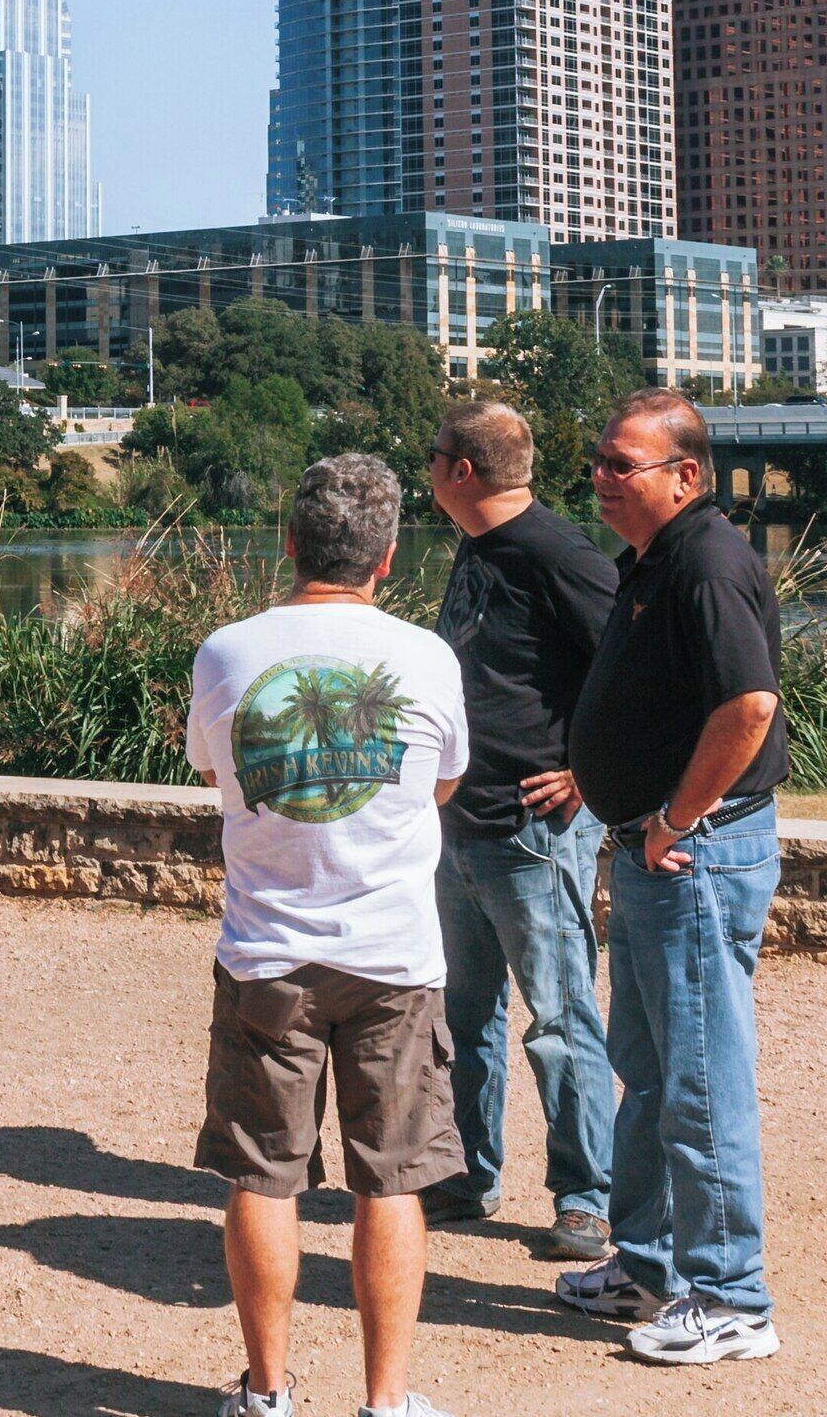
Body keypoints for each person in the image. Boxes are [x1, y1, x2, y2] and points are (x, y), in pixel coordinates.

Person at [189, 453, 476, 1417]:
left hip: (268, 951)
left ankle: (267, 1394)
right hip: (394, 956)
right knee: (390, 1181)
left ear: (289, 542)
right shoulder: (428, 658)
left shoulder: (228, 652)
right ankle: (386, 1402)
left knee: (263, 1178)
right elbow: (443, 782)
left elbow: (215, 771)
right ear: (388, 556)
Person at [550, 388, 790, 1367]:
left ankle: (731, 1295)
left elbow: (750, 705)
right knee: (647, 1071)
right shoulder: (654, 557)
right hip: (659, 853)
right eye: (599, 461)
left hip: (695, 855)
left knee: (698, 1080)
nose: (602, 478)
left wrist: (673, 818)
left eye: (622, 464)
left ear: (684, 474)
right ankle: (645, 1262)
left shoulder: (709, 560)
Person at [416, 399, 618, 1264]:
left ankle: (585, 1197)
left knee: (560, 1017)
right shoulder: (480, 543)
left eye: (434, 456)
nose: (427, 469)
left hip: (534, 832)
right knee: (466, 1014)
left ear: (463, 470)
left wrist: (588, 773)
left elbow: (635, 672)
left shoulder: (558, 552)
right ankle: (469, 1172)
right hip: (461, 822)